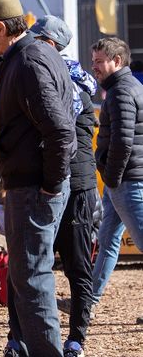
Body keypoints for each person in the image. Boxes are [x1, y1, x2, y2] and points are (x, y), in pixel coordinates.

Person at [0, 0, 76, 357]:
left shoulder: (28, 61)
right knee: (27, 277)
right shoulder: (26, 57)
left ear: (1, 27)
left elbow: (61, 132)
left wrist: (49, 186)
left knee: (31, 279)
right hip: (29, 184)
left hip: (34, 188)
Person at [30, 15, 98, 357]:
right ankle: (25, 337)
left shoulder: (74, 87)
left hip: (77, 185)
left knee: (76, 265)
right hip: (52, 182)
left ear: (52, 45)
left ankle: (77, 339)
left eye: (37, 39)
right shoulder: (52, 79)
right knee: (35, 265)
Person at [91, 37, 143, 307]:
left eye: (99, 62)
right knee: (108, 239)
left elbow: (122, 140)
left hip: (126, 181)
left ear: (117, 61)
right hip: (123, 180)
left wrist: (111, 179)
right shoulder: (124, 87)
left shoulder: (121, 91)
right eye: (93, 62)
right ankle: (89, 301)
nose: (94, 67)